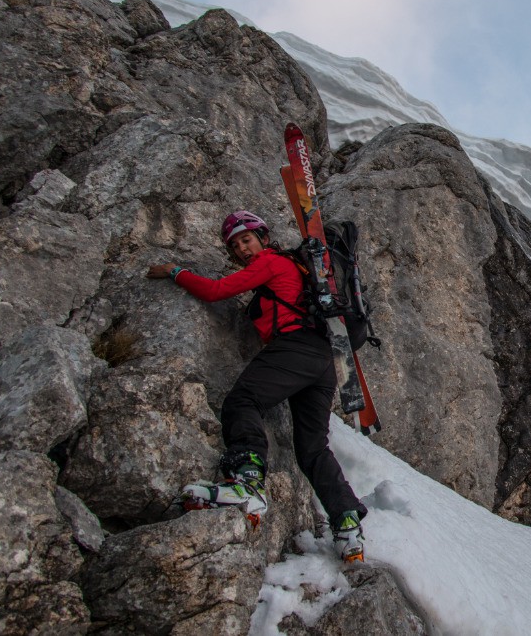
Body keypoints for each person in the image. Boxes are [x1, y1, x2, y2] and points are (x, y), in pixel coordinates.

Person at [146, 210, 367, 562]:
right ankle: (347, 520)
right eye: (235, 246)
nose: (242, 250)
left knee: (242, 401)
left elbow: (216, 291)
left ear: (263, 238)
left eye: (246, 239)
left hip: (295, 348)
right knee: (312, 448)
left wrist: (176, 272)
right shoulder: (295, 269)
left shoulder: (271, 262)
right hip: (322, 361)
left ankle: (247, 482)